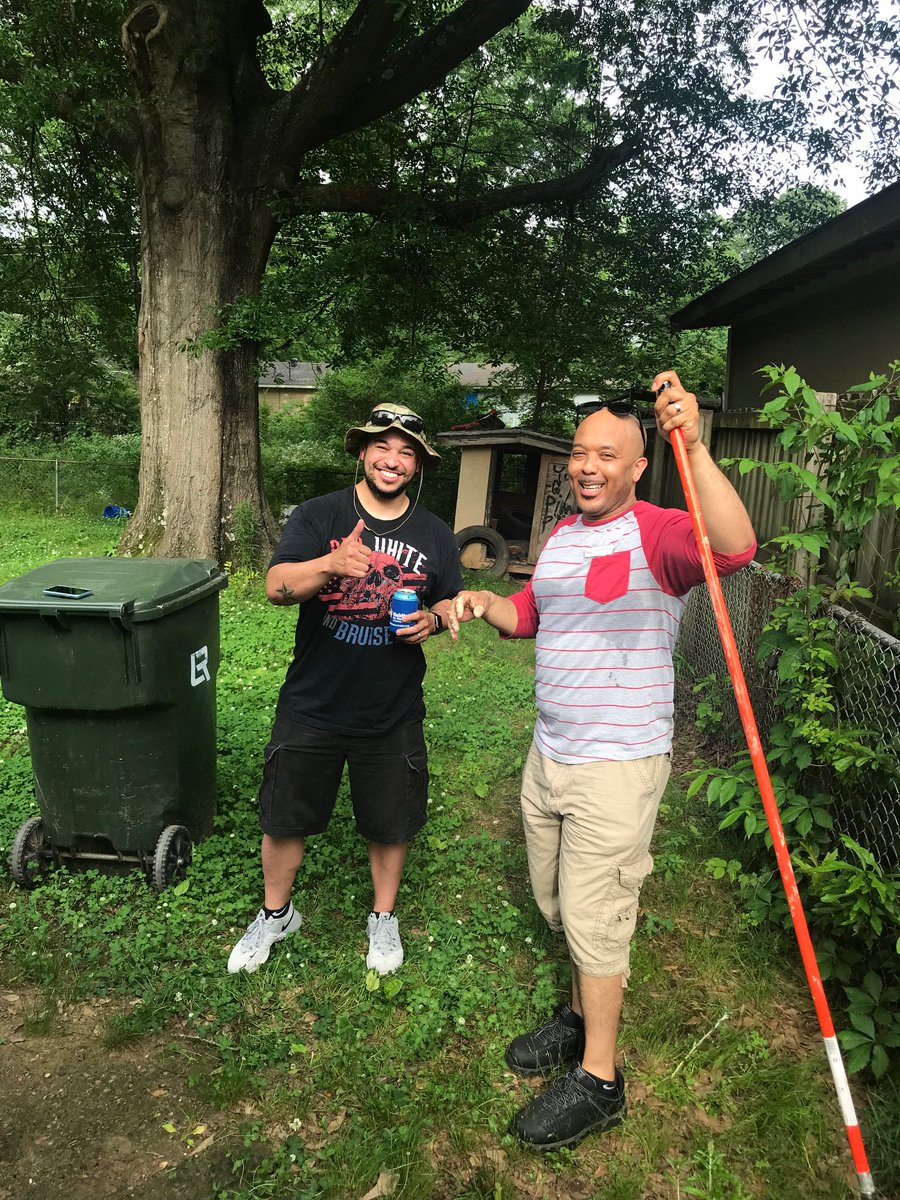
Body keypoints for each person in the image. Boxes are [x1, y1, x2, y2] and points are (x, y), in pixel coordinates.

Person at [448, 370, 756, 1150]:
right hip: (550, 752)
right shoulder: (562, 538)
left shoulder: (658, 533)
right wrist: (486, 604)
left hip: (617, 764)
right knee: (556, 900)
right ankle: (580, 1013)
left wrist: (694, 444)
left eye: (606, 456)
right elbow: (533, 614)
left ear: (637, 467)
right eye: (580, 452)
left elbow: (734, 548)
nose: (587, 466)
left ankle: (600, 1078)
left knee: (597, 916)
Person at [228, 403, 462, 977]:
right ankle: (276, 915)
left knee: (391, 822)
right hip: (313, 702)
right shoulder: (320, 514)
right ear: (362, 451)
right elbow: (276, 587)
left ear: (418, 464)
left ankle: (383, 918)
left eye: (406, 452)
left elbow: (447, 600)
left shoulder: (435, 533)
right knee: (283, 818)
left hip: (392, 709)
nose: (393, 460)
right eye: (383, 446)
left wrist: (434, 620)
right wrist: (331, 563)